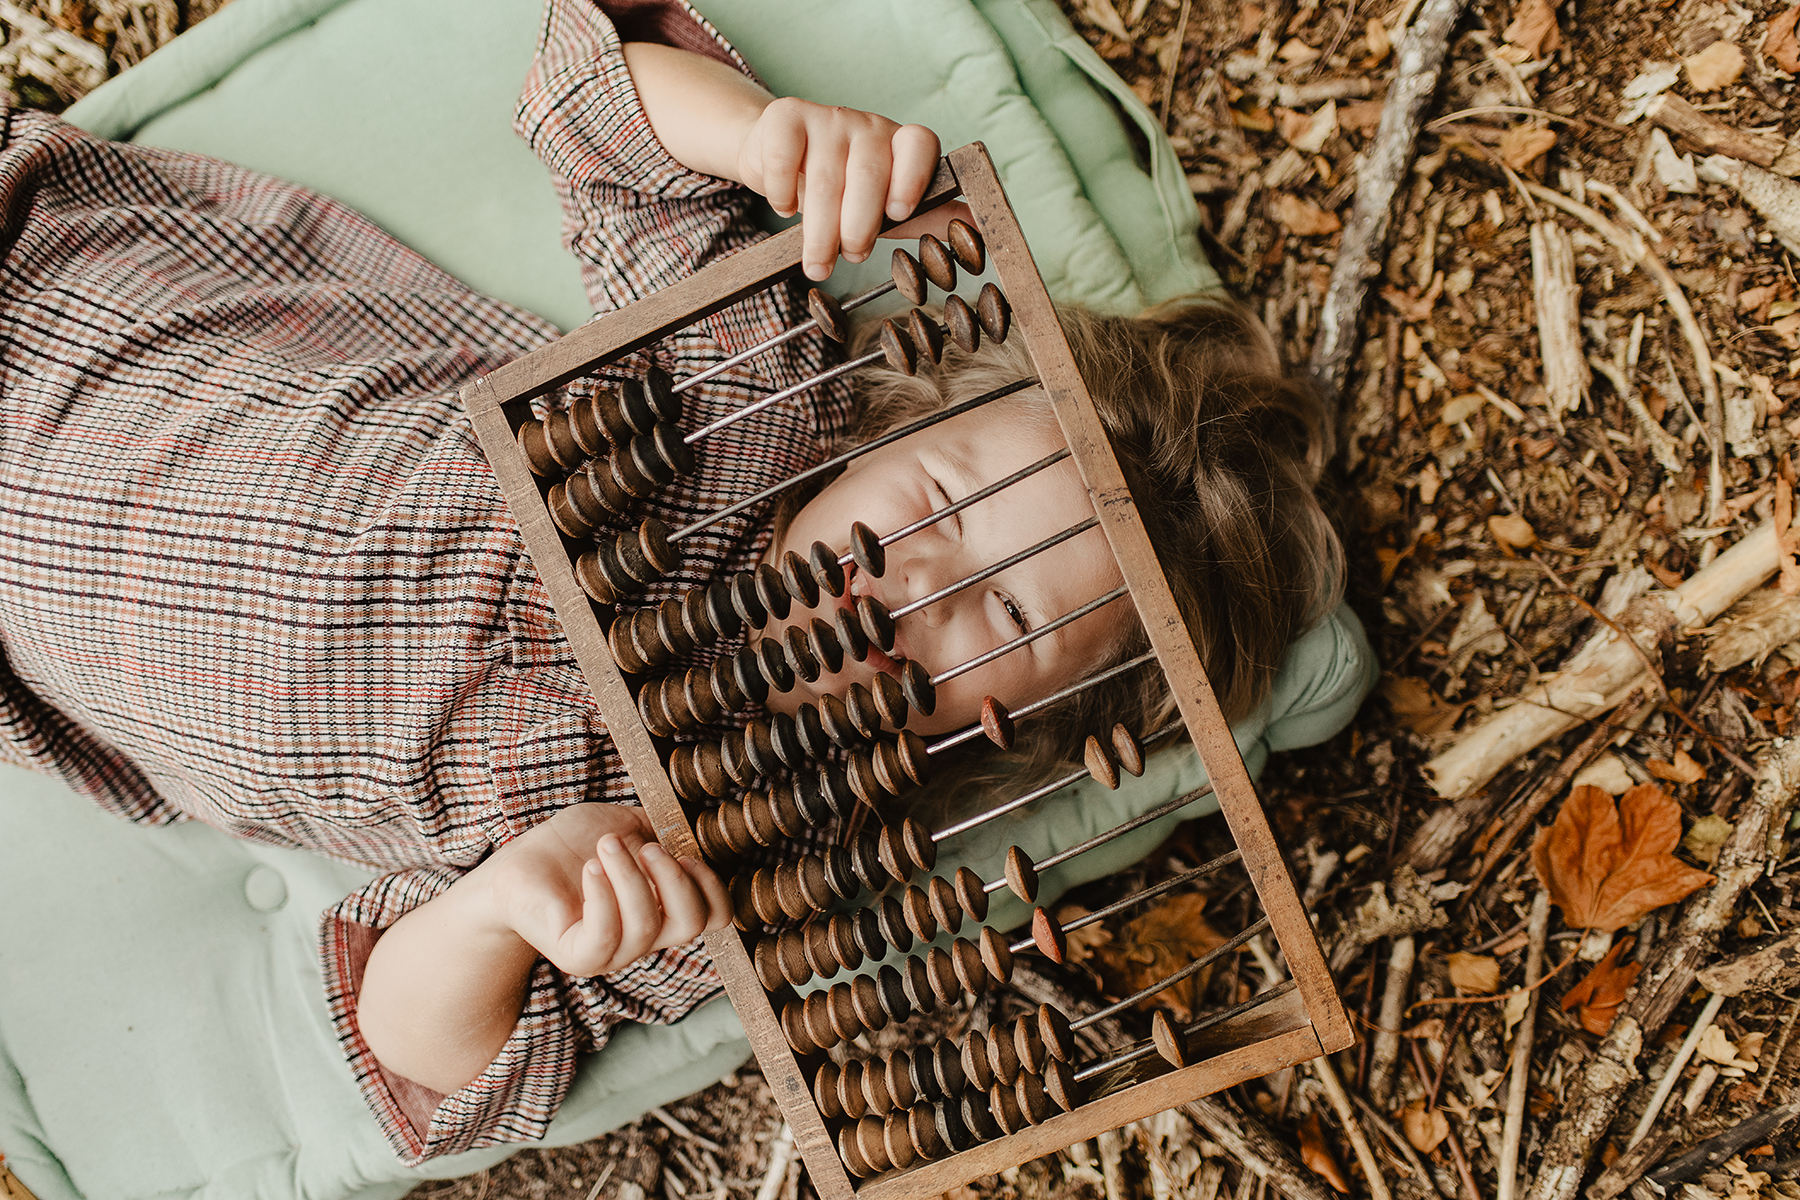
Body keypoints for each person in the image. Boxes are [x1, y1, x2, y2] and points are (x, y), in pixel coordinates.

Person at [0, 0, 1340, 1163]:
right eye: (936, 500)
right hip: (72, 315)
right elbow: (591, 109)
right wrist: (764, 139)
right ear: (891, 427)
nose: (918, 576)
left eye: (1010, 612)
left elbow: (407, 1057)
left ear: (1025, 727)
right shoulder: (744, 407)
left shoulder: (748, 875)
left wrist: (502, 910)